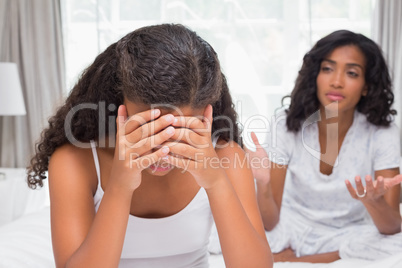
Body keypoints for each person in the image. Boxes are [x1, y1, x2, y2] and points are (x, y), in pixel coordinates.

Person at [27, 24, 272, 267]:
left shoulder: (224, 156)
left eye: (182, 131)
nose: (163, 150)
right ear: (121, 105)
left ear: (206, 116)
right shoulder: (76, 162)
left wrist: (216, 182)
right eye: (150, 128)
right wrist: (120, 186)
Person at [245, 30, 402, 263]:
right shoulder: (285, 125)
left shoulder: (383, 133)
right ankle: (314, 257)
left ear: (367, 85)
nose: (336, 81)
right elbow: (270, 222)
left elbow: (391, 228)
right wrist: (263, 184)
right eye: (327, 69)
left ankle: (295, 260)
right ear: (315, 76)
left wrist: (372, 201)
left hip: (349, 232)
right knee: (240, 233)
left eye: (351, 73)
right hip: (292, 225)